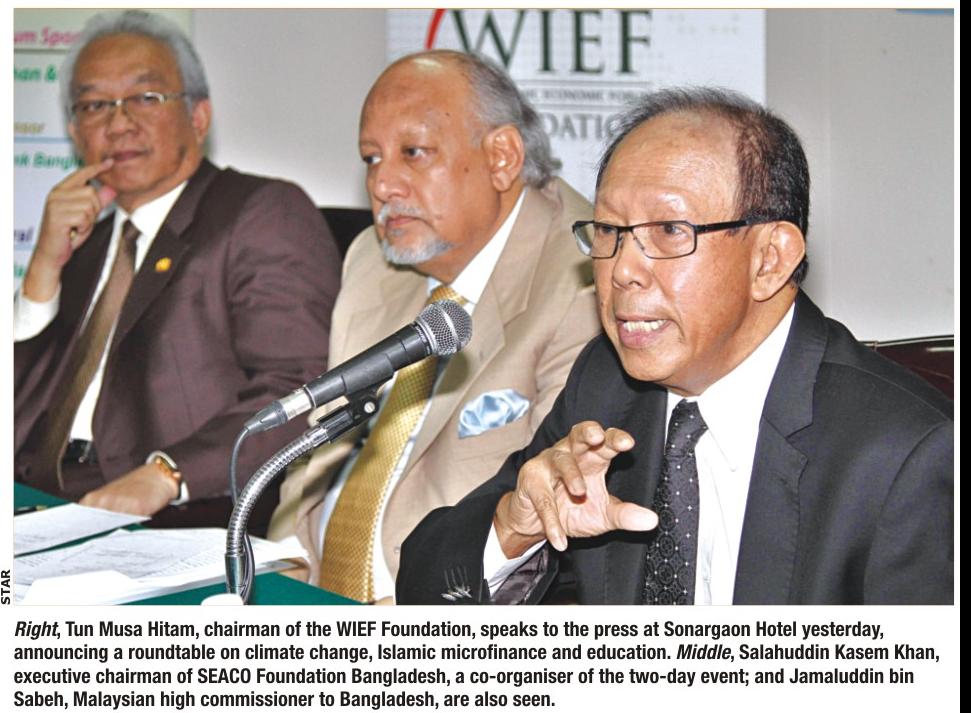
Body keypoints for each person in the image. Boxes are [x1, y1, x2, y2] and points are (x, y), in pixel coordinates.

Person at [397, 87, 953, 605]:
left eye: (668, 231)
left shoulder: (906, 455)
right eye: (610, 231)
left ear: (770, 259)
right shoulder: (607, 385)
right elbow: (424, 589)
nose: (622, 270)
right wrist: (516, 525)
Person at [268, 50, 600, 603]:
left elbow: (546, 517)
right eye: (371, 158)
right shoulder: (373, 262)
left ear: (501, 157)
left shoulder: (583, 276)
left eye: (413, 153)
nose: (383, 184)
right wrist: (274, 585)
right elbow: (314, 461)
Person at [14, 10, 341, 527]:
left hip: (175, 512)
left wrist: (169, 473)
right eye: (95, 105)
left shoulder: (258, 212)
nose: (119, 123)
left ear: (199, 116)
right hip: (37, 503)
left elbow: (301, 386)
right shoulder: (83, 243)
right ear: (75, 131)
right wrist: (40, 273)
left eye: (145, 98)